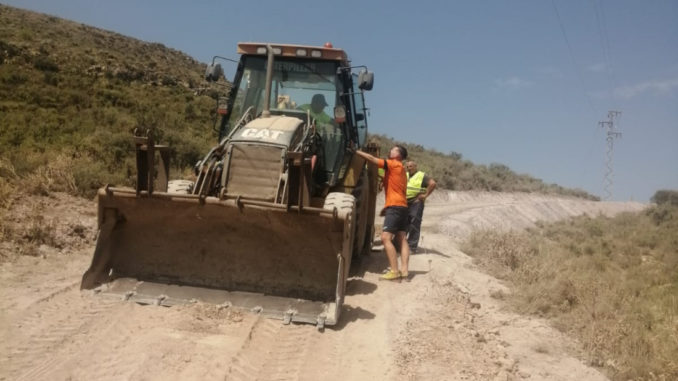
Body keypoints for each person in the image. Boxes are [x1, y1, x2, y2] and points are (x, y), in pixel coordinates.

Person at [355, 145, 410, 280]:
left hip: (395, 207)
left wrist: (355, 151)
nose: (390, 150)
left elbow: (371, 158)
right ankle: (404, 271)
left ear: (398, 155)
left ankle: (394, 271)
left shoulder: (393, 164)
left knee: (385, 238)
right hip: (403, 206)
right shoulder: (401, 169)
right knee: (402, 238)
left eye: (394, 149)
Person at [405, 161, 436, 253]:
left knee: (414, 224)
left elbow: (433, 184)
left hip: (416, 202)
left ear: (415, 166)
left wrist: (425, 195)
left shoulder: (421, 176)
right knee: (403, 223)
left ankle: (412, 247)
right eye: (407, 166)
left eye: (411, 166)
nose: (409, 168)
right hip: (404, 202)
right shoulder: (405, 174)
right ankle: (399, 245)